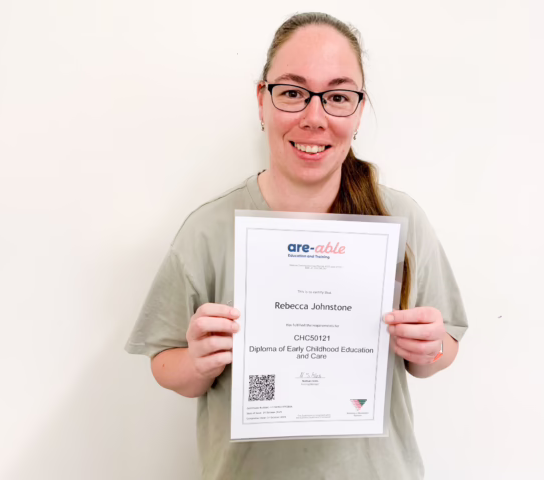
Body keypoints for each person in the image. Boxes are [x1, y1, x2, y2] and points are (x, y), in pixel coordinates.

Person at [125, 12, 468, 480]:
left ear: (359, 110)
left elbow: (439, 353)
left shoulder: (401, 220)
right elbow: (166, 364)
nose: (314, 117)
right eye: (292, 92)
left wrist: (428, 347)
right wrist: (198, 362)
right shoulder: (209, 230)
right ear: (262, 102)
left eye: (338, 97)